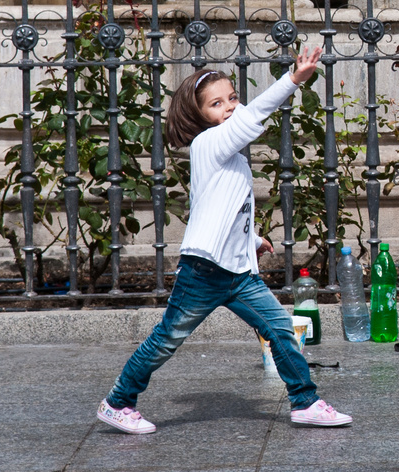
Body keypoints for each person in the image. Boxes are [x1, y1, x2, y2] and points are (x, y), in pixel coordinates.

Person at [96, 46, 353, 434]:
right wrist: (293, 80)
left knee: (280, 329)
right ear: (198, 117)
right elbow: (252, 119)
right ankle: (117, 402)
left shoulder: (229, 157)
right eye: (216, 104)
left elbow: (221, 209)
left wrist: (252, 241)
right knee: (167, 339)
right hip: (204, 271)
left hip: (236, 272)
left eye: (232, 97)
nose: (229, 107)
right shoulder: (208, 144)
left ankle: (305, 401)